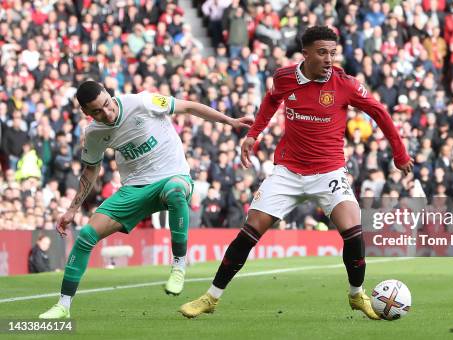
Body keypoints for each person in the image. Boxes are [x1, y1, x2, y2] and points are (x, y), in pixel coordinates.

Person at [180, 26, 413, 320]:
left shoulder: (346, 84)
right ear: (305, 54)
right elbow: (271, 100)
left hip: (329, 172)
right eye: (322, 52)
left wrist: (400, 153)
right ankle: (211, 297)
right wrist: (253, 134)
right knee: (249, 231)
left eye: (333, 52)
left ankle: (356, 294)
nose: (329, 59)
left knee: (354, 233)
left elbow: (379, 111)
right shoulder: (285, 77)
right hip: (288, 171)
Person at [39, 81, 252, 319]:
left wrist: (230, 121)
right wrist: (71, 210)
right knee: (87, 236)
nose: (107, 113)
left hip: (172, 176)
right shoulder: (94, 134)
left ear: (110, 95)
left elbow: (189, 107)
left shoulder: (142, 101)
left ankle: (179, 264)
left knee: (175, 190)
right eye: (97, 111)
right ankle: (63, 305)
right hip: (134, 189)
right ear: (86, 113)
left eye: (107, 104)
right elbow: (90, 171)